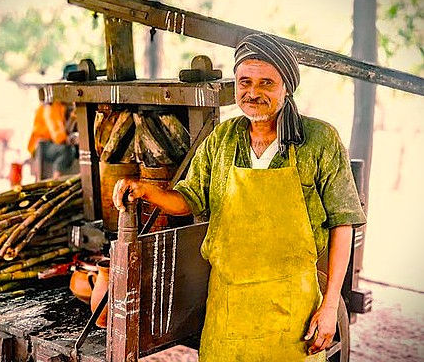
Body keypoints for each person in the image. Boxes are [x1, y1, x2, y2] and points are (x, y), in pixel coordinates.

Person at [113, 33, 366, 361]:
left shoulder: (319, 140)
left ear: (286, 87)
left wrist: (330, 306)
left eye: (266, 83)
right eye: (245, 81)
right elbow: (190, 199)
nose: (253, 92)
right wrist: (150, 191)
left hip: (292, 313)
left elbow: (342, 224)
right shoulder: (222, 139)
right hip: (228, 310)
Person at [27, 88, 79, 179]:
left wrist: (73, 118)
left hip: (53, 144)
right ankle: (56, 179)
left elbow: (65, 131)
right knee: (67, 150)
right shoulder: (49, 108)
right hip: (42, 146)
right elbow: (58, 137)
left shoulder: (63, 108)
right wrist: (70, 139)